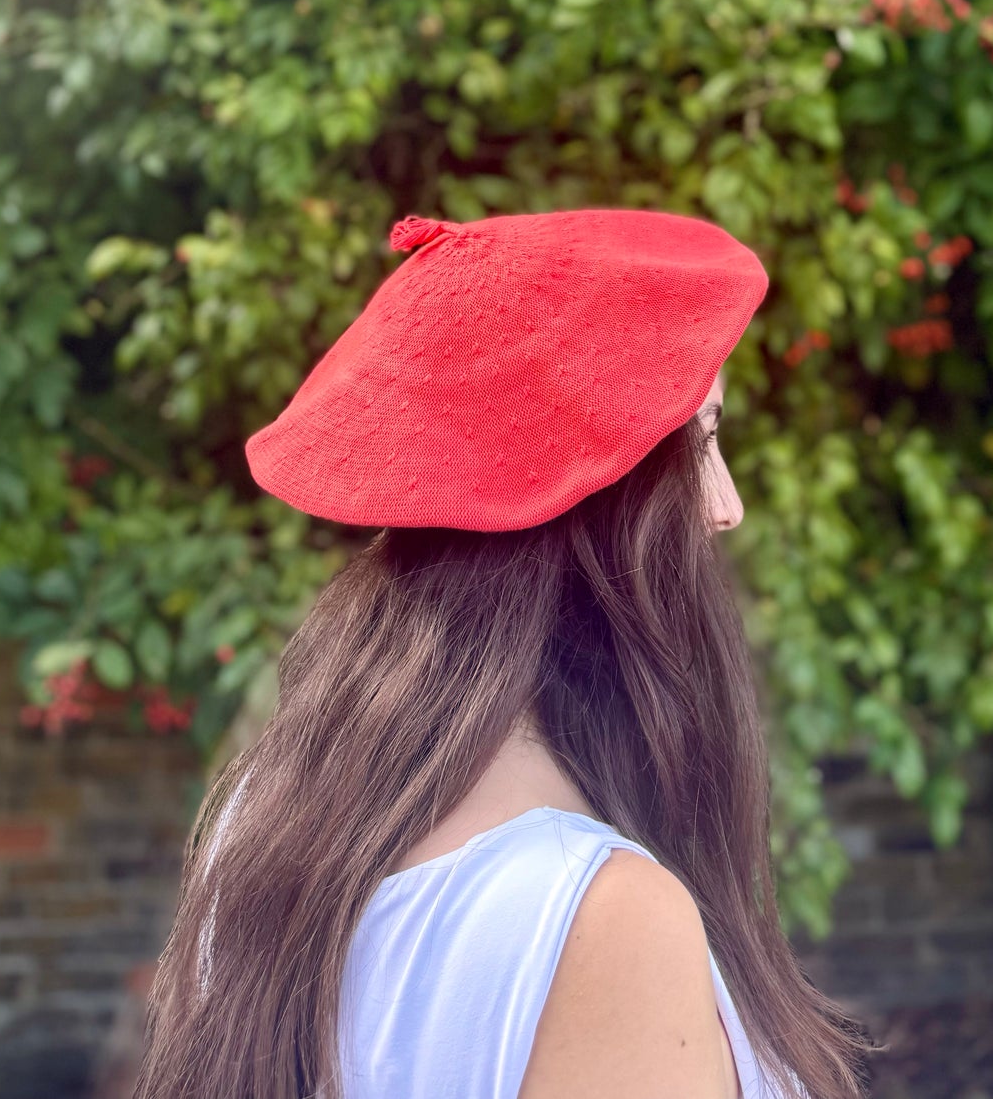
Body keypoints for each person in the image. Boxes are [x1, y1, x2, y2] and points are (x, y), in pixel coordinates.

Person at [132, 208, 871, 1099]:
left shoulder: (269, 812)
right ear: (596, 496)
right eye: (704, 441)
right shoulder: (605, 916)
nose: (726, 504)